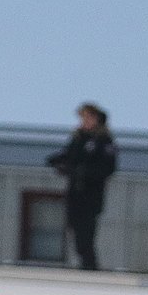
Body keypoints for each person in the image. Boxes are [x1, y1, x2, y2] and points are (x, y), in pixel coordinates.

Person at [48, 102, 117, 270]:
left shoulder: (103, 141)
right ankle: (85, 262)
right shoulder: (78, 138)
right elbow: (69, 156)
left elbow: (107, 168)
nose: (84, 121)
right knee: (75, 228)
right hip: (75, 193)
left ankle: (89, 265)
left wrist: (82, 172)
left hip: (91, 194)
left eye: (88, 117)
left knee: (87, 231)